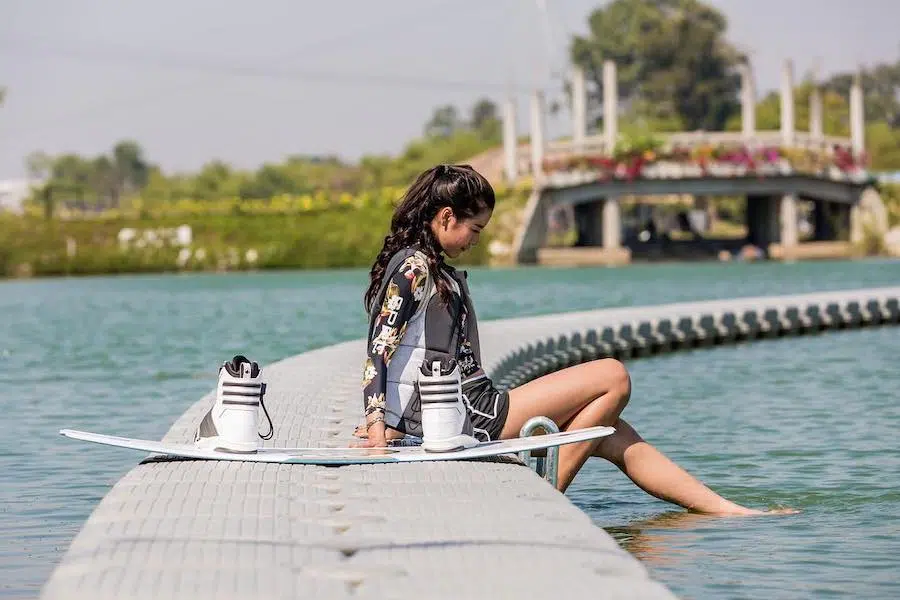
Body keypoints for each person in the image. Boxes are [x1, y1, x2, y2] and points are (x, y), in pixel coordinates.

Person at [357, 163, 784, 516]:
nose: (476, 240)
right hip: (468, 413)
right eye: (475, 229)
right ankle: (547, 493)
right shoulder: (413, 269)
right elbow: (379, 351)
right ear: (446, 217)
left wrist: (394, 422)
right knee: (612, 376)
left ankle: (725, 511)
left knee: (610, 431)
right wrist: (381, 428)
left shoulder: (431, 267)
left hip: (467, 406)